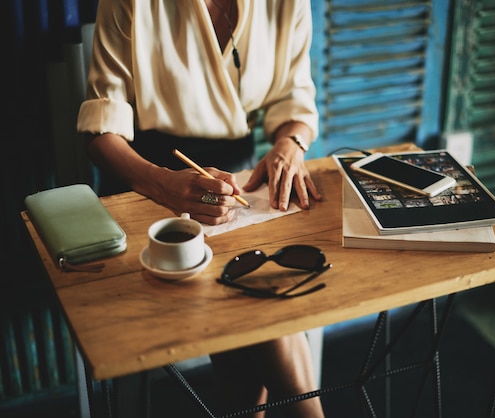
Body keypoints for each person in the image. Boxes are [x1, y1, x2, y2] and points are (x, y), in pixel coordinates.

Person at [76, 0, 325, 416]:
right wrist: (163, 184)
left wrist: (289, 143)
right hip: (144, 182)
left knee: (250, 305)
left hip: (237, 182)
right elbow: (100, 132)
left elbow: (294, 99)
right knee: (255, 300)